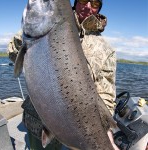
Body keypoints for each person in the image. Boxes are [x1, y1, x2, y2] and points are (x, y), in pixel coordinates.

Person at [8, 0, 118, 149]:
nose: (87, 6)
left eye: (95, 3)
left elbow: (106, 93)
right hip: (38, 124)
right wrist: (27, 37)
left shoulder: (106, 50)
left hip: (81, 132)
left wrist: (106, 134)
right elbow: (13, 54)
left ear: (99, 9)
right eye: (84, 0)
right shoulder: (40, 28)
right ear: (76, 2)